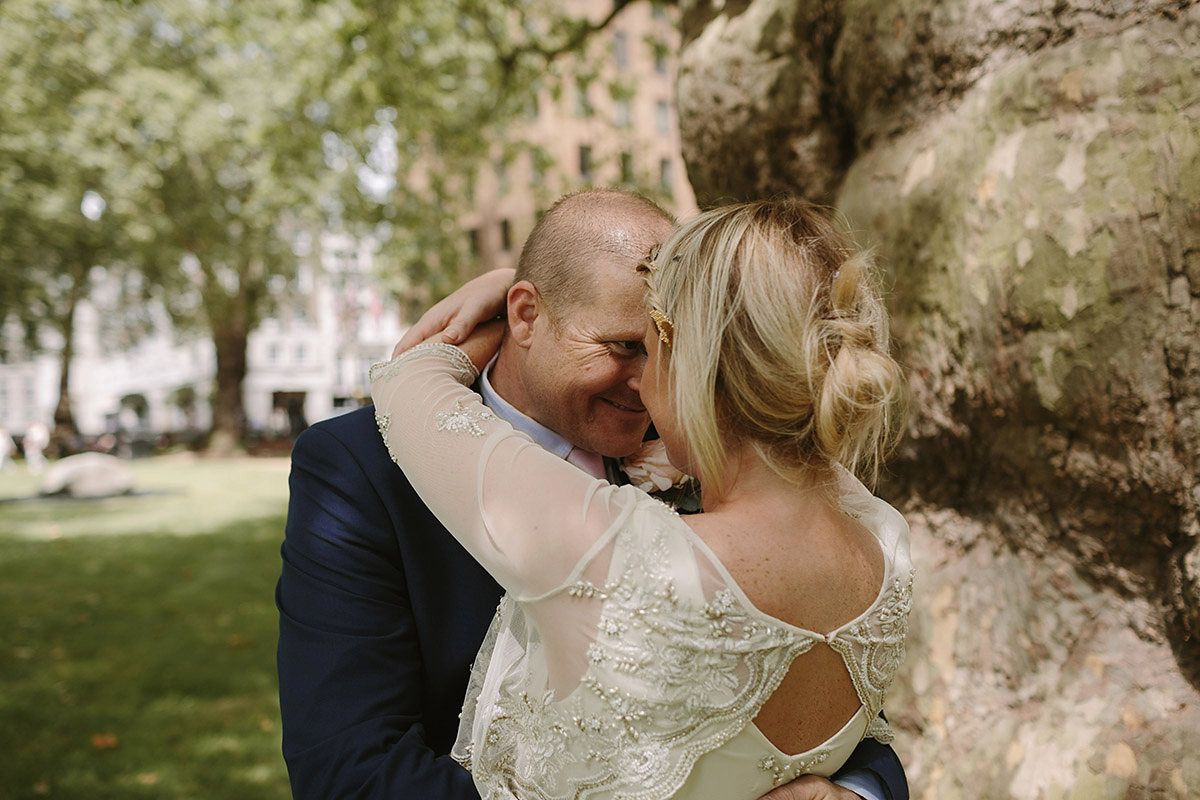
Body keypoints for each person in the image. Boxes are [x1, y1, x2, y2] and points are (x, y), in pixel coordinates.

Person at [277, 189, 907, 800]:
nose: (646, 382)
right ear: (527, 316)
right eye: (621, 346)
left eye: (660, 344)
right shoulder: (359, 469)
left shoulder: (712, 454)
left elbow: (853, 729)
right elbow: (350, 772)